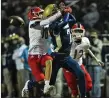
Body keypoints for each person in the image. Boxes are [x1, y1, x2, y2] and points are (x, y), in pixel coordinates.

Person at [42, 4, 86, 98]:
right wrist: (66, 12)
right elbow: (65, 21)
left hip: (66, 57)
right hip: (57, 57)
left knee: (81, 74)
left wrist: (68, 12)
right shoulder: (53, 25)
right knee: (50, 82)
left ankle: (83, 96)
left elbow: (73, 20)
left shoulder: (62, 21)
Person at [63, 23, 104, 98]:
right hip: (69, 67)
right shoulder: (68, 41)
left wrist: (96, 59)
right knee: (73, 90)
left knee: (89, 85)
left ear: (83, 32)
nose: (78, 34)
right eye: (76, 31)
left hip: (79, 65)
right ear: (72, 32)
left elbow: (87, 49)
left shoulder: (85, 40)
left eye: (80, 31)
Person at [88, 31, 103, 98]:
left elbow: (99, 50)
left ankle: (97, 96)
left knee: (96, 82)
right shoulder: (89, 42)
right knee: (91, 81)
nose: (93, 36)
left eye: (94, 34)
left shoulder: (99, 42)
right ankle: (92, 95)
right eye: (92, 34)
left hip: (97, 64)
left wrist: (91, 47)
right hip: (90, 64)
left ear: (97, 35)